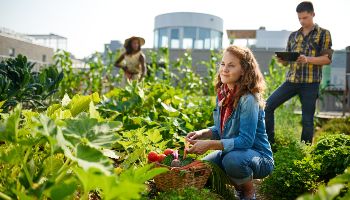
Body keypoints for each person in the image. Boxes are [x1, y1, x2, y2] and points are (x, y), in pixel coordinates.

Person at [186, 45, 274, 200]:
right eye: (223, 64)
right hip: (233, 152)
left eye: (231, 65)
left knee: (232, 160)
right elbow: (222, 128)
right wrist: (202, 133)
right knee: (203, 169)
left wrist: (210, 144)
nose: (224, 69)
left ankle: (248, 192)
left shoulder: (248, 99)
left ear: (244, 70)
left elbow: (245, 141)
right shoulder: (223, 94)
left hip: (259, 157)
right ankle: (238, 184)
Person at [265, 1, 333, 144]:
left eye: (305, 18)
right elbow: (287, 62)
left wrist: (307, 59)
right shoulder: (293, 36)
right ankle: (269, 144)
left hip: (310, 83)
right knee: (267, 106)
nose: (302, 21)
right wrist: (282, 60)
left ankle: (305, 150)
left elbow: (327, 59)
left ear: (313, 14)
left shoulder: (323, 34)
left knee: (307, 120)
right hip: (291, 81)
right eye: (299, 18)